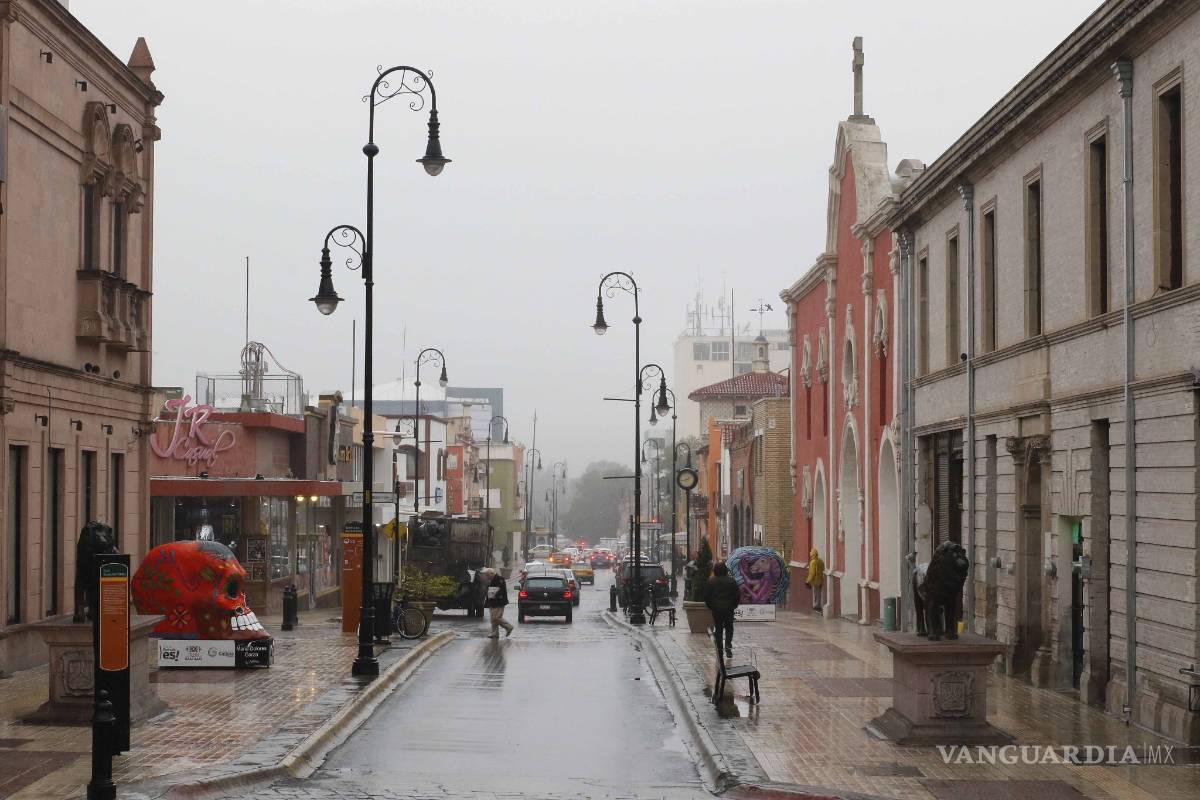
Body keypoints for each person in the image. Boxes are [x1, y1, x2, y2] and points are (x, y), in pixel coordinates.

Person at [705, 562, 740, 659]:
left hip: (717, 609)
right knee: (729, 627)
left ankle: (719, 649)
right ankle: (728, 646)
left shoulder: (711, 581)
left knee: (718, 628)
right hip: (729, 608)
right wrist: (734, 605)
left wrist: (711, 606)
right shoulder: (731, 581)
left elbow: (707, 596)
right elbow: (737, 595)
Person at [484, 571, 514, 638]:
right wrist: (487, 602)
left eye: (487, 575)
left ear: (491, 574)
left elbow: (502, 590)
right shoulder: (490, 580)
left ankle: (509, 627)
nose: (486, 577)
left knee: (497, 617)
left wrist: (495, 595)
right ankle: (494, 633)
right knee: (493, 619)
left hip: (499, 602)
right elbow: (488, 592)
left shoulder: (500, 579)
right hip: (491, 602)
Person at [806, 547, 825, 613]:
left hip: (815, 580)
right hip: (821, 579)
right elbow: (823, 569)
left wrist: (807, 581)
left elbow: (812, 573)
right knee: (819, 593)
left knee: (816, 593)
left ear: (812, 554)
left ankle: (817, 606)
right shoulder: (821, 561)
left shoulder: (812, 562)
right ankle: (818, 605)